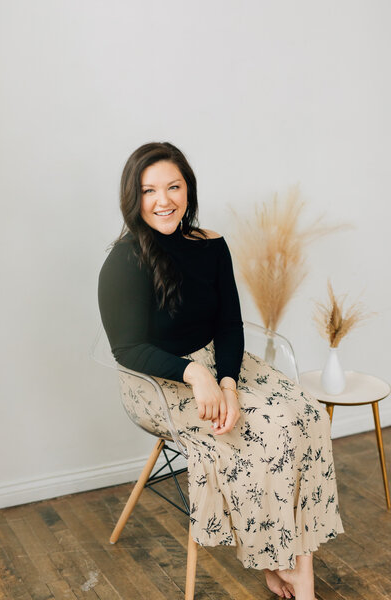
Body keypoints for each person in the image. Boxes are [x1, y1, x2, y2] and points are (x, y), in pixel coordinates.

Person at [98, 141, 344, 600]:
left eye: (174, 186)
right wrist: (196, 375)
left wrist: (227, 380)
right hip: (161, 382)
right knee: (267, 429)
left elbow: (229, 324)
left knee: (307, 416)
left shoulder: (210, 245)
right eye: (150, 191)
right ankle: (282, 565)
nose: (163, 200)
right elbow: (128, 349)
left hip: (221, 364)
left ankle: (296, 569)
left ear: (188, 190)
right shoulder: (123, 261)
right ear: (134, 198)